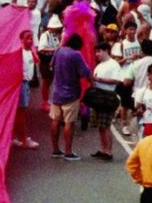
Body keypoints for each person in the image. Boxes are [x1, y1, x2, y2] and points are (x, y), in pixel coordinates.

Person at [48, 33, 92, 161]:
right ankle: (68, 152)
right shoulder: (76, 55)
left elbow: (51, 65)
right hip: (71, 93)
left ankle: (55, 149)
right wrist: (91, 81)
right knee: (69, 122)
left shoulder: (59, 51)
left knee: (55, 121)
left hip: (57, 92)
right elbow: (85, 72)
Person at [87, 45, 124, 160]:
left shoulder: (113, 64)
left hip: (108, 97)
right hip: (98, 96)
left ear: (106, 51)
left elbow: (117, 80)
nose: (97, 54)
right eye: (96, 52)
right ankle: (104, 149)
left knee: (106, 125)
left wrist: (99, 80)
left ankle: (108, 151)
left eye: (99, 51)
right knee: (100, 126)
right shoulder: (99, 66)